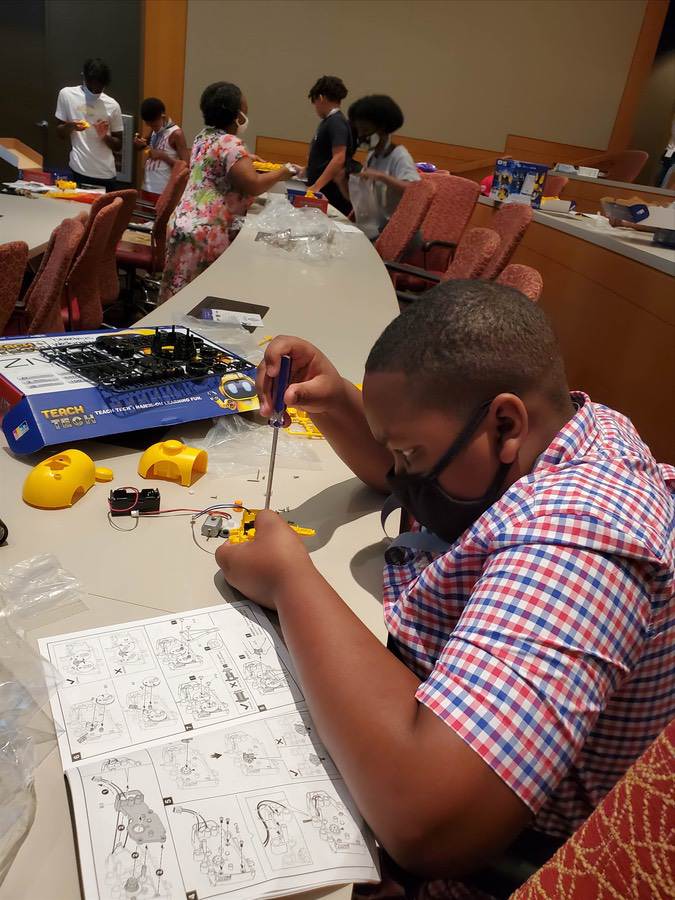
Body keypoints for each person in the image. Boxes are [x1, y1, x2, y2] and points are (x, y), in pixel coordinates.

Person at [215, 280, 675, 898]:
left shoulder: (583, 532)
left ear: (506, 422)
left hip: (524, 848)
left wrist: (289, 581)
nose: (400, 476)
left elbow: (428, 824)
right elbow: (437, 473)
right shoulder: (564, 430)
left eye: (409, 453)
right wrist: (337, 405)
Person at [159, 81, 294, 302]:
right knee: (199, 302)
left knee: (178, 294)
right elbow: (253, 184)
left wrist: (245, 158)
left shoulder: (204, 136)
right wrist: (282, 172)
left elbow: (214, 162)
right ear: (237, 115)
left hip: (183, 225)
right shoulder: (231, 143)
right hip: (207, 233)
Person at [348, 94, 420, 234]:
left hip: (397, 233)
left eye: (366, 130)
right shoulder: (372, 156)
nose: (361, 136)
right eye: (359, 131)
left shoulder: (399, 155)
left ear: (382, 129)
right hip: (376, 227)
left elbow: (414, 189)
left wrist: (382, 176)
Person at [55, 58, 123, 191]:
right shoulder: (67, 95)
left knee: (104, 211)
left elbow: (118, 145)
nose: (96, 90)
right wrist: (71, 126)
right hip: (79, 170)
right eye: (92, 86)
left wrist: (104, 136)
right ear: (84, 77)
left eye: (100, 87)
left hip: (105, 174)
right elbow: (59, 132)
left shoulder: (112, 105)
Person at [305, 75, 353, 215]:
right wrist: (306, 169)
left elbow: (339, 157)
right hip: (323, 191)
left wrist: (316, 186)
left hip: (330, 195)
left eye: (314, 102)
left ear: (320, 98)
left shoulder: (336, 122)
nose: (315, 108)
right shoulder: (329, 121)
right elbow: (324, 156)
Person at [133, 97, 190, 201]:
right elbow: (147, 150)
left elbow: (185, 166)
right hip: (147, 186)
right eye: (149, 124)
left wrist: (164, 157)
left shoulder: (176, 134)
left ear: (162, 116)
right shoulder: (153, 130)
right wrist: (138, 144)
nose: (152, 127)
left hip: (162, 190)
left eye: (154, 124)